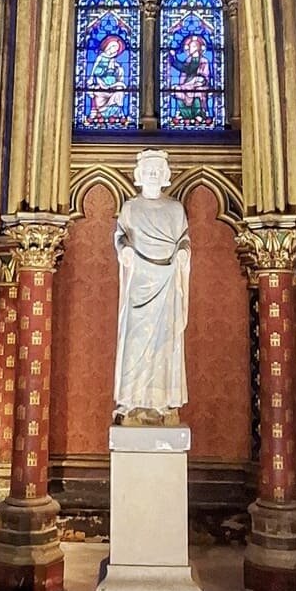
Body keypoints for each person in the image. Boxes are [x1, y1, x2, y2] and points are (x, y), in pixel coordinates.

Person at [113, 149, 189, 424]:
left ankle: (162, 404)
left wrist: (182, 253)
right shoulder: (131, 208)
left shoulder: (175, 209)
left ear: (166, 175)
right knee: (135, 343)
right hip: (140, 285)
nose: (153, 174)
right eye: (149, 170)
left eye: (158, 170)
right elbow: (120, 235)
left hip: (167, 281)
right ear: (140, 175)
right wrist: (124, 250)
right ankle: (132, 403)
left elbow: (183, 239)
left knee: (165, 345)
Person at [168, 31, 212, 125]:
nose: (189, 49)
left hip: (198, 84)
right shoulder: (189, 60)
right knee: (177, 89)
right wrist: (173, 58)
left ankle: (198, 114)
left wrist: (200, 80)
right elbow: (184, 69)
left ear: (197, 48)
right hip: (187, 84)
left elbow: (205, 75)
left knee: (197, 91)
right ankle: (185, 115)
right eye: (189, 47)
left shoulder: (204, 61)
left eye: (192, 47)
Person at [86, 31, 130, 125]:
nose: (114, 50)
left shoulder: (114, 61)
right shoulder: (101, 58)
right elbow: (95, 72)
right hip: (101, 82)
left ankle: (116, 113)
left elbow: (119, 74)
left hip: (113, 84)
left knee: (120, 88)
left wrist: (118, 69)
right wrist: (107, 68)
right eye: (113, 47)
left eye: (116, 49)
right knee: (98, 91)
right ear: (108, 46)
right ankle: (99, 113)